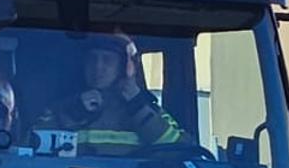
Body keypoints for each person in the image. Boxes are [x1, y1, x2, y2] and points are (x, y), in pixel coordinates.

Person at [36, 33, 185, 157]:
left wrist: (137, 107)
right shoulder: (58, 110)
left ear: (123, 68)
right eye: (92, 59)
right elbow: (30, 148)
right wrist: (73, 112)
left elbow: (182, 151)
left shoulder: (151, 112)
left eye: (107, 60)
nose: (98, 67)